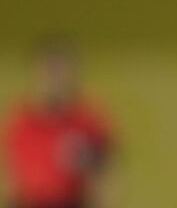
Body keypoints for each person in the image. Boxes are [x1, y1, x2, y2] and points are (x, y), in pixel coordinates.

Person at [2, 40, 112, 208]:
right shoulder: (19, 122)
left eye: (61, 72)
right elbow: (9, 178)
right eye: (50, 72)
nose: (55, 81)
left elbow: (106, 173)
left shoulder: (87, 120)